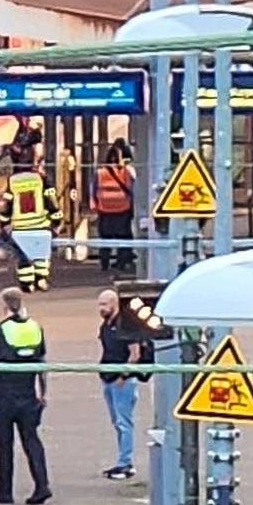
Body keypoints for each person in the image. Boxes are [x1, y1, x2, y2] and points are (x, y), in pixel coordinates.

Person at [0, 288, 51, 504]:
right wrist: (43, 392)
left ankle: (5, 491)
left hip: (4, 395)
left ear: (5, 306)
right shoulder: (35, 327)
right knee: (32, 441)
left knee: (3, 445)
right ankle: (42, 485)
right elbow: (42, 364)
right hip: (28, 393)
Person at [96, 289, 148, 479]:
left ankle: (125, 463)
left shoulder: (126, 326)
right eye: (100, 305)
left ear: (114, 303)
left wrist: (123, 376)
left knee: (124, 422)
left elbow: (135, 355)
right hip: (108, 379)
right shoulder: (106, 325)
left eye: (104, 304)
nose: (101, 308)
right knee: (117, 422)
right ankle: (122, 461)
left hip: (122, 382)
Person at [0, 162, 61, 293]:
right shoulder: (41, 179)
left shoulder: (12, 181)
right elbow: (51, 200)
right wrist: (56, 218)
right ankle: (40, 279)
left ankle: (27, 283)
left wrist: (3, 222)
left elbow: (7, 205)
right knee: (41, 254)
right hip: (40, 224)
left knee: (23, 255)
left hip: (20, 226)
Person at [91, 146, 136, 273]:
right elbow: (131, 189)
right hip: (122, 209)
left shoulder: (100, 173)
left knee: (105, 239)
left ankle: (104, 265)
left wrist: (94, 205)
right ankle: (121, 264)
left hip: (105, 209)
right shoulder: (125, 172)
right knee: (123, 238)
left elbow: (94, 189)